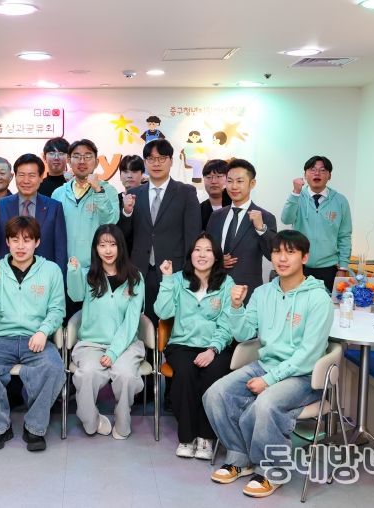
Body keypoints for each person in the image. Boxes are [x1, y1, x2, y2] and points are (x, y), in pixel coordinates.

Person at [203, 230, 333, 498]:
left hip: (303, 376)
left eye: (290, 252)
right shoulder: (263, 293)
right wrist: (236, 307)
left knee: (266, 403)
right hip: (265, 365)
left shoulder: (319, 298)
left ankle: (273, 470)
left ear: (304, 257)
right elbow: (244, 334)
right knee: (215, 393)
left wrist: (269, 380)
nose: (282, 259)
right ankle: (240, 457)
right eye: (277, 252)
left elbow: (308, 355)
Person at [0, 217, 66, 452]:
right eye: (15, 240)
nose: (20, 246)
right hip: (1, 338)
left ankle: (35, 427)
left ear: (37, 242)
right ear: (7, 242)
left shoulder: (51, 270)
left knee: (54, 368)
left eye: (27, 240)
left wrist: (43, 332)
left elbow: (57, 309)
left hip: (36, 337)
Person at [153, 233, 234, 460]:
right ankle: (187, 437)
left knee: (213, 373)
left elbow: (227, 323)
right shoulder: (178, 279)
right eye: (197, 249)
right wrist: (166, 280)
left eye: (208, 250)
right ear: (190, 254)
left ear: (216, 256)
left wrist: (213, 349)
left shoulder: (227, 283)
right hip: (182, 344)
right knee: (186, 372)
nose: (202, 255)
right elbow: (163, 312)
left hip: (214, 345)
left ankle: (206, 437)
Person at [67, 225, 145, 439]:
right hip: (91, 344)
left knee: (126, 375)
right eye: (102, 245)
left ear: (121, 247)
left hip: (126, 345)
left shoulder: (135, 277)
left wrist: (113, 352)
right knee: (87, 374)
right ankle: (91, 419)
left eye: (112, 244)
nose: (108, 250)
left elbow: (131, 321)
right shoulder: (88, 275)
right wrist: (73, 272)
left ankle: (123, 419)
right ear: (96, 248)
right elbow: (75, 296)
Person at [118, 138, 201, 326]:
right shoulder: (134, 194)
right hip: (140, 270)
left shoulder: (186, 192)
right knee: (142, 322)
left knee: (173, 323)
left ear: (171, 161)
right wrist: (127, 213)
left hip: (174, 270)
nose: (156, 163)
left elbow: (193, 235)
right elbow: (124, 237)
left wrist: (190, 271)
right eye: (151, 159)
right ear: (145, 162)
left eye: (162, 158)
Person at [207, 159, 276, 304]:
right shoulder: (216, 216)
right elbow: (207, 249)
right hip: (215, 290)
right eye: (230, 181)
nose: (234, 186)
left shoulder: (265, 217)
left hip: (247, 292)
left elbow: (272, 255)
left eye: (240, 181)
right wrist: (217, 260)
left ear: (252, 183)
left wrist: (261, 229)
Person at [281, 155, 352, 292]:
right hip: (299, 265)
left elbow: (344, 235)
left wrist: (343, 267)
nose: (317, 173)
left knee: (327, 303)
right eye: (312, 169)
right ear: (305, 175)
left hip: (329, 268)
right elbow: (286, 219)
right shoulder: (297, 197)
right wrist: (295, 193)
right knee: (298, 303)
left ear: (329, 176)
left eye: (323, 170)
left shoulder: (340, 201)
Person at [0, 153, 67, 274]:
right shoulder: (0, 206)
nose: (26, 181)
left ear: (41, 177)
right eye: (21, 175)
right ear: (15, 177)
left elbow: (60, 249)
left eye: (32, 175)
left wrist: (60, 277)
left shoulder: (54, 207)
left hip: (44, 276)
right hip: (8, 275)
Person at [51, 139, 119, 270]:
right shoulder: (58, 193)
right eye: (76, 156)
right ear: (69, 161)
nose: (82, 161)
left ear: (97, 162)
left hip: (98, 267)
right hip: (65, 267)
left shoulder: (108, 190)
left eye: (88, 156)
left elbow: (110, 222)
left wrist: (98, 191)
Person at [200, 159, 231, 230]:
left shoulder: (237, 207)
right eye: (208, 177)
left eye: (219, 176)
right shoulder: (198, 210)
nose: (213, 181)